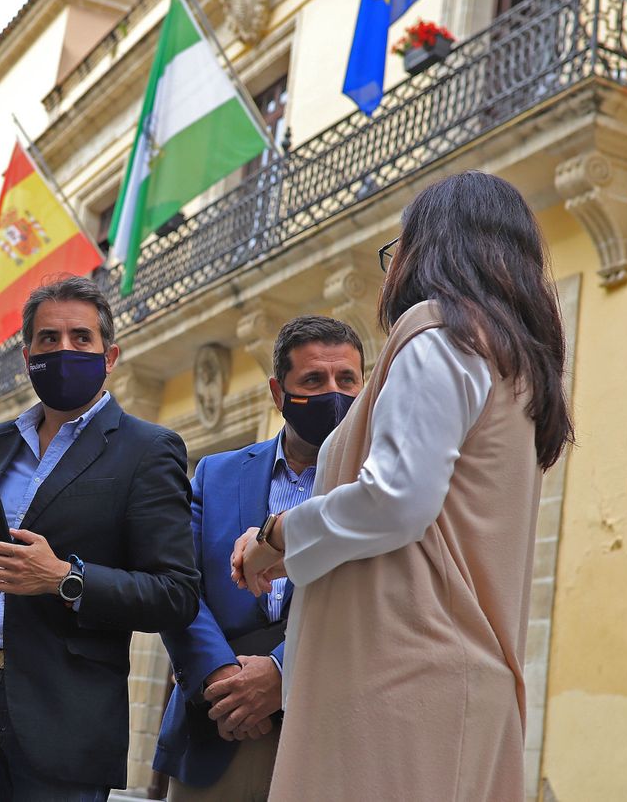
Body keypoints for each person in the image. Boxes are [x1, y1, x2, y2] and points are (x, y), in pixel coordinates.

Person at [234, 171, 574, 801]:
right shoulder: (515, 365)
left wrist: (277, 535)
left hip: (400, 679)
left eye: (399, 248)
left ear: (429, 248)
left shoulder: (438, 336)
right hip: (446, 677)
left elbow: (395, 500)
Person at [0, 276, 201, 802]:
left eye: (81, 338)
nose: (64, 349)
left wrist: (66, 579)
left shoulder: (148, 449)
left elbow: (175, 593)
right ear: (28, 357)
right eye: (49, 338)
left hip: (66, 714)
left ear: (109, 356)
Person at [156, 316, 365, 801]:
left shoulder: (378, 487)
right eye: (313, 380)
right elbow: (179, 586)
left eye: (346, 379)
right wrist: (221, 678)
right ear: (278, 393)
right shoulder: (215, 473)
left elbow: (376, 598)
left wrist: (279, 674)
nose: (333, 394)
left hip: (327, 734)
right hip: (216, 729)